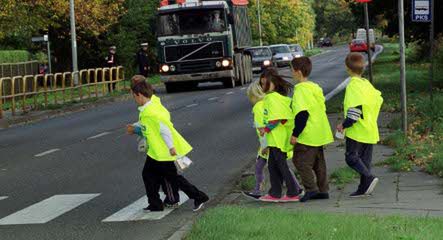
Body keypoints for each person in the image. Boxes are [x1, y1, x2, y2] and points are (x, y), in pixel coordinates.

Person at [127, 75, 209, 211]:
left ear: (140, 95)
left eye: (134, 97)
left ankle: (198, 196)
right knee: (149, 175)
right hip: (156, 152)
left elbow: (164, 130)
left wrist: (171, 147)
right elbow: (150, 127)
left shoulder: (150, 112)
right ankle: (155, 204)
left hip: (163, 152)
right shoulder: (151, 107)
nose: (135, 100)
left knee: (174, 179)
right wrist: (136, 127)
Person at [127, 76, 180, 208]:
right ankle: (156, 202)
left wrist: (136, 130)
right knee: (151, 174)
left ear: (140, 91)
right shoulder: (149, 102)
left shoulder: (151, 105)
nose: (133, 97)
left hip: (161, 146)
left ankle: (176, 198)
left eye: (133, 93)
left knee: (166, 176)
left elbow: (160, 127)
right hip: (156, 145)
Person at [336, 53, 383, 197]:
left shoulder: (353, 86)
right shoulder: (367, 84)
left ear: (347, 68)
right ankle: (363, 188)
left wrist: (344, 125)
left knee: (351, 157)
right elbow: (378, 100)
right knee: (364, 161)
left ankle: (368, 178)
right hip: (370, 128)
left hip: (358, 130)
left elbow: (355, 110)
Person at [290, 57, 333, 202]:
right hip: (319, 131)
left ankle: (311, 189)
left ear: (298, 72)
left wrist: (295, 134)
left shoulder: (301, 90)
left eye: (292, 70)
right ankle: (323, 190)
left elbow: (302, 114)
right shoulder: (315, 87)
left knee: (300, 161)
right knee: (318, 163)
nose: (292, 73)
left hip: (307, 134)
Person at [258, 68, 302, 202]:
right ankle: (275, 192)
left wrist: (265, 129)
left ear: (274, 83)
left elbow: (276, 119)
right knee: (273, 166)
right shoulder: (277, 97)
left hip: (278, 138)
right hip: (276, 138)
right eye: (261, 84)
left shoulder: (272, 98)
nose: (263, 86)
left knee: (281, 166)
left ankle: (292, 192)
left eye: (265, 83)